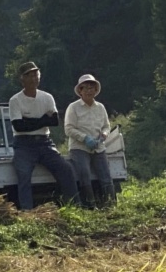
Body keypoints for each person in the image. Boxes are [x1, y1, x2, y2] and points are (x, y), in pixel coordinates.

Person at [8, 61, 79, 210]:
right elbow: (19, 127)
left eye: (36, 75)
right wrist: (42, 120)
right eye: (30, 75)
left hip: (44, 142)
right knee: (23, 174)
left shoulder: (47, 97)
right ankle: (27, 211)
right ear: (22, 79)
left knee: (66, 169)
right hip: (23, 144)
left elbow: (54, 121)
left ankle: (74, 205)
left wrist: (30, 121)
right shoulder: (15, 100)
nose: (34, 78)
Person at [64, 73, 116, 208]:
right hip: (79, 147)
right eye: (85, 88)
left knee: (105, 175)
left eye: (92, 88)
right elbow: (69, 129)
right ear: (80, 91)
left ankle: (111, 205)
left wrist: (104, 134)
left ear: (96, 90)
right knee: (84, 175)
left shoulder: (100, 107)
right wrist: (85, 138)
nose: (89, 91)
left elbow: (106, 125)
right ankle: (90, 206)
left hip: (98, 146)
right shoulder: (73, 107)